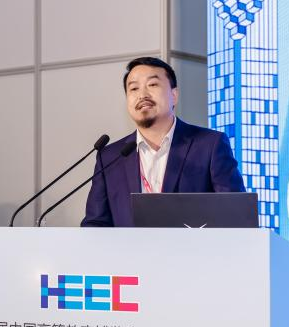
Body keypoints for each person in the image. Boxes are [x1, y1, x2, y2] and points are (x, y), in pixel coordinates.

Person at [81, 57, 245, 227]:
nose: (142, 95)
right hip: (129, 246)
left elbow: (235, 215)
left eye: (152, 84)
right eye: (134, 88)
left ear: (174, 95)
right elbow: (95, 224)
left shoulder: (210, 145)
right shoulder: (110, 157)